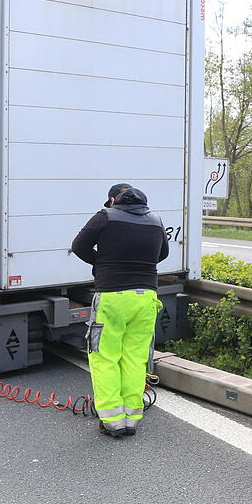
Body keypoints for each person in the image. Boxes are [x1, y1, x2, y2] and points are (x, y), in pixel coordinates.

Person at [71, 183, 169, 438]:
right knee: (135, 358)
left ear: (113, 200)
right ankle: (132, 417)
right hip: (146, 297)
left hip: (113, 297)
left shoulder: (105, 217)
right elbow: (163, 254)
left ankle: (113, 421)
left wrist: (103, 263)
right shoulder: (156, 221)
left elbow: (79, 246)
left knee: (105, 357)